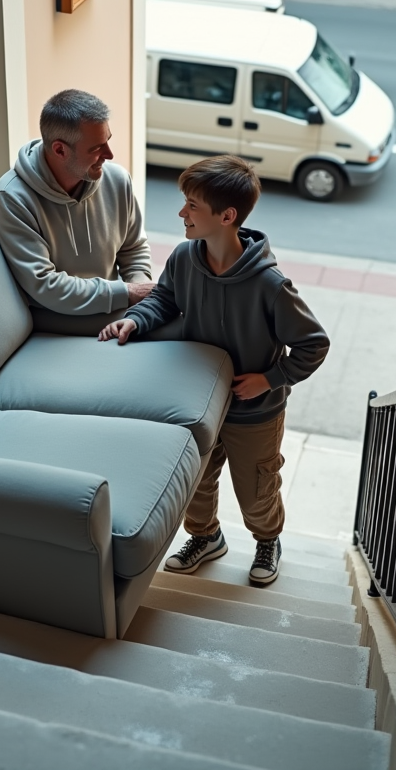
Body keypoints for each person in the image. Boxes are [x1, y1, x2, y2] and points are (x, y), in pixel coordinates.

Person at [98, 155, 330, 585]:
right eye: (185, 203)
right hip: (197, 400)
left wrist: (270, 379)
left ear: (227, 217)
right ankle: (206, 537)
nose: (182, 213)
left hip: (253, 412)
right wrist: (136, 320)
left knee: (257, 489)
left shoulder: (270, 285)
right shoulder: (186, 258)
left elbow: (314, 343)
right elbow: (164, 300)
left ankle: (267, 539)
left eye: (192, 206)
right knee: (195, 482)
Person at [0, 89, 155, 322]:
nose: (109, 155)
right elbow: (46, 286)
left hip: (111, 305)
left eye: (107, 140)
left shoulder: (117, 179)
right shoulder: (13, 198)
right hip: (55, 319)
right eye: (96, 148)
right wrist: (127, 293)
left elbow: (134, 249)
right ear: (60, 150)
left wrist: (141, 289)